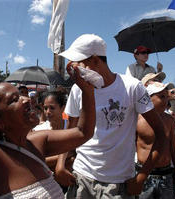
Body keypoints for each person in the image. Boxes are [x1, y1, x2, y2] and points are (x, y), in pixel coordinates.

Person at [0, 19, 96, 198]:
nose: (26, 99)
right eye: (13, 100)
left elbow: (82, 132)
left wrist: (87, 91)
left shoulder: (36, 142)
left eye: (21, 94)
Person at [55, 33, 168, 198]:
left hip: (118, 184)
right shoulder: (78, 89)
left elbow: (161, 134)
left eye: (78, 62)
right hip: (81, 177)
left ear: (95, 60)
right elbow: (70, 129)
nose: (73, 67)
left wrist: (142, 176)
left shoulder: (132, 87)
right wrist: (60, 164)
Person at [136, 82, 175, 199]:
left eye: (166, 96)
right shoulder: (137, 120)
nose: (165, 100)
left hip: (166, 175)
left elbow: (173, 149)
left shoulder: (169, 120)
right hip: (145, 175)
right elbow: (128, 149)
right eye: (161, 97)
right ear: (149, 98)